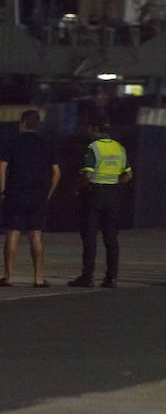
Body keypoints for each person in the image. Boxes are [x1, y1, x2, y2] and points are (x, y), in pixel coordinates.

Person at [0, 109, 60, 287]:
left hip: (16, 193)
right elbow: (56, 173)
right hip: (38, 194)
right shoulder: (46, 145)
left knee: (13, 232)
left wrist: (2, 191)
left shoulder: (13, 144)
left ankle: (8, 277)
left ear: (22, 123)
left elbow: (1, 169)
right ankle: (38, 278)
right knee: (36, 234)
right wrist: (48, 193)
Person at [68, 118, 132, 288]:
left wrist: (78, 187)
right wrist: (114, 184)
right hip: (113, 195)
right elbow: (128, 175)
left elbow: (87, 175)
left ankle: (87, 276)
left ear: (95, 129)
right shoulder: (119, 148)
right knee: (111, 238)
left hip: (94, 195)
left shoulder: (93, 148)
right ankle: (111, 278)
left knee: (90, 237)